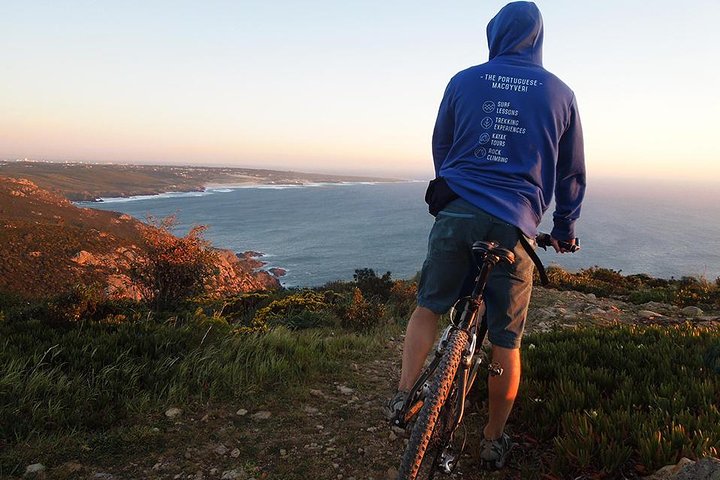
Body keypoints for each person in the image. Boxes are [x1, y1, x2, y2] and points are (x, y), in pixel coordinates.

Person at [385, 1, 586, 470]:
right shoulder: (560, 92)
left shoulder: (463, 80)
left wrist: (458, 185)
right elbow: (571, 173)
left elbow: (442, 142)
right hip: (515, 227)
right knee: (506, 341)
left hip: (457, 211)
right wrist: (564, 228)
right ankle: (493, 438)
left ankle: (402, 395)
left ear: (494, 33)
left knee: (429, 307)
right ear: (538, 38)